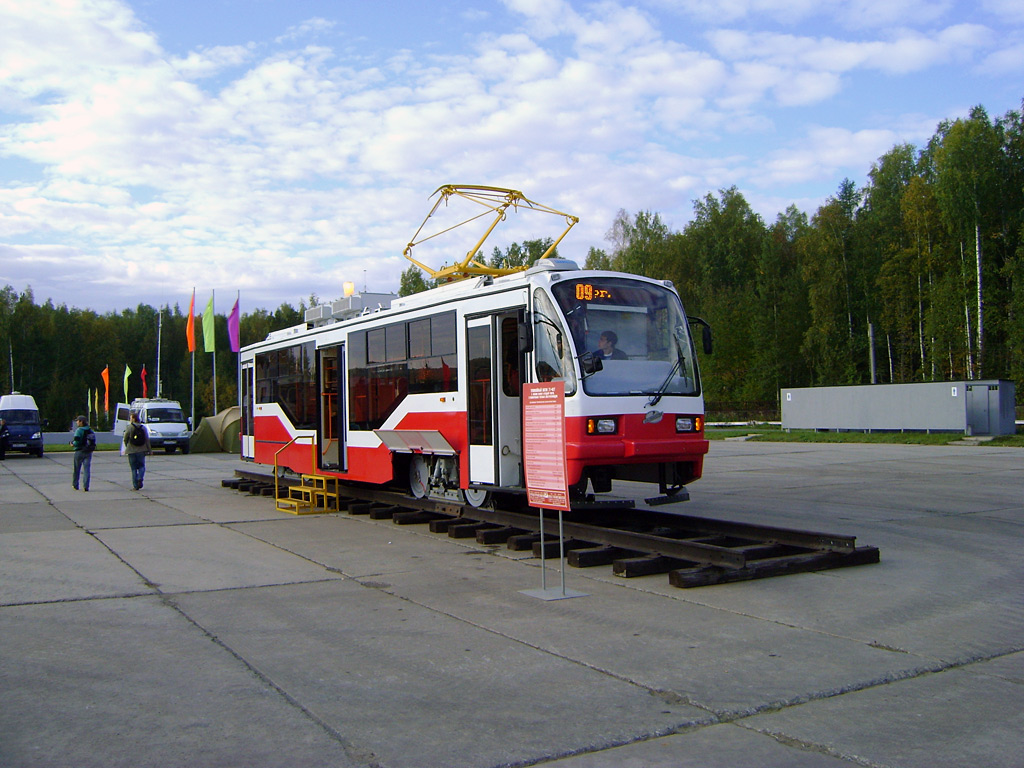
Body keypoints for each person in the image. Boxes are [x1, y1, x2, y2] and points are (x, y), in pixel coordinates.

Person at [123, 411, 151, 490]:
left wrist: (127, 446)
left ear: (133, 419)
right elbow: (147, 439)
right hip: (141, 450)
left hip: (131, 450)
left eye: (130, 418)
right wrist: (149, 449)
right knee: (142, 466)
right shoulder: (143, 427)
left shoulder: (129, 427)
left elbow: (125, 438)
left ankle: (135, 485)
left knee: (133, 468)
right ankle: (140, 478)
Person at [70, 415, 93, 491]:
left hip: (79, 451)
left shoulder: (79, 430)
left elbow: (76, 441)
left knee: (77, 469)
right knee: (87, 469)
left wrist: (72, 444)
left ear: (81, 422)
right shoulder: (90, 430)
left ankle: (75, 484)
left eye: (78, 421)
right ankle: (86, 486)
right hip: (88, 452)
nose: (76, 422)